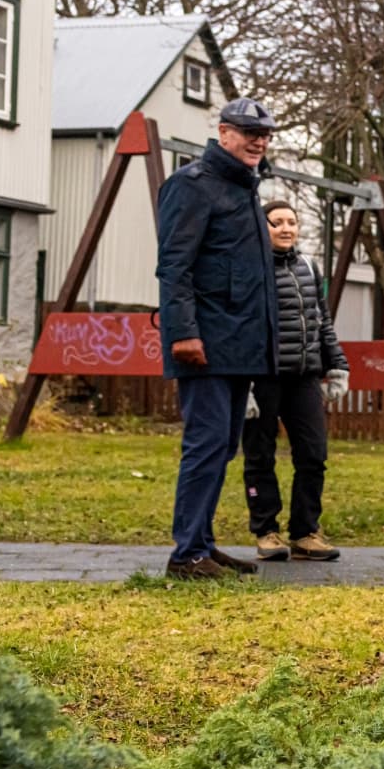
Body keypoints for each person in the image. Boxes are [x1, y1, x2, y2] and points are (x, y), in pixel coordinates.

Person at [154, 98, 281, 579]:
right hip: (205, 343)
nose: (258, 141)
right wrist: (183, 333)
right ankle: (186, 555)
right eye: (249, 131)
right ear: (224, 132)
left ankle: (202, 544)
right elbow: (174, 266)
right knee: (205, 445)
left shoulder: (244, 189)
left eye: (265, 134)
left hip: (241, 345)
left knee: (224, 445)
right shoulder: (192, 186)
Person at [241, 200, 349, 561]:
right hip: (262, 376)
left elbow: (323, 321)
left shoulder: (308, 266)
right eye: (277, 223)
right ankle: (266, 532)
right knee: (260, 455)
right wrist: (242, 384)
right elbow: (241, 324)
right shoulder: (250, 268)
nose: (286, 228)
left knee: (313, 454)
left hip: (304, 376)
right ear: (262, 226)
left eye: (292, 222)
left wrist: (337, 365)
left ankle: (305, 532)